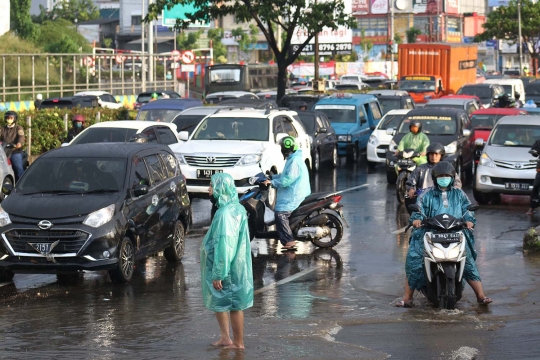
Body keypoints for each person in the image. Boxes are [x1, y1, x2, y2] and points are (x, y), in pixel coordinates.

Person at [397, 161, 492, 307]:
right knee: (414, 259)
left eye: (447, 176)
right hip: (430, 231)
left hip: (455, 232)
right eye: (440, 176)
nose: (444, 179)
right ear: (435, 178)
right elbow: (419, 209)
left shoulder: (459, 194)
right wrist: (417, 219)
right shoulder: (427, 194)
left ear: (452, 177)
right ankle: (408, 298)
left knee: (468, 261)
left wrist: (469, 220)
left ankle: (480, 296)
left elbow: (468, 209)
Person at [201, 173, 253, 349]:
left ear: (220, 188)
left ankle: (238, 343)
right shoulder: (236, 208)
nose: (209, 190)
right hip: (234, 265)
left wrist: (219, 273)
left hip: (227, 268)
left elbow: (225, 244)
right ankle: (226, 338)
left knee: (233, 304)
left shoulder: (225, 214)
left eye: (211, 186)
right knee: (223, 303)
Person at [262, 136, 311, 250]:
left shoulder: (294, 161)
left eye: (282, 147)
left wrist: (272, 183)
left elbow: (287, 180)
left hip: (294, 193)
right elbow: (284, 175)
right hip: (293, 192)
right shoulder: (293, 159)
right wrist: (272, 177)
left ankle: (289, 240)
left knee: (280, 214)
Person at [0, 111, 25, 182]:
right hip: (4, 152)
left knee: (18, 168)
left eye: (11, 118)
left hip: (15, 152)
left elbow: (21, 136)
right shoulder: (2, 128)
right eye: (8, 118)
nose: (9, 119)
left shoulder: (18, 128)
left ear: (15, 119)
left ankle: (21, 184)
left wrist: (19, 143)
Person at [527, 139, 540, 215]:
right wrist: (535, 151)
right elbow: (534, 150)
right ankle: (531, 207)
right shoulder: (539, 141)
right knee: (536, 186)